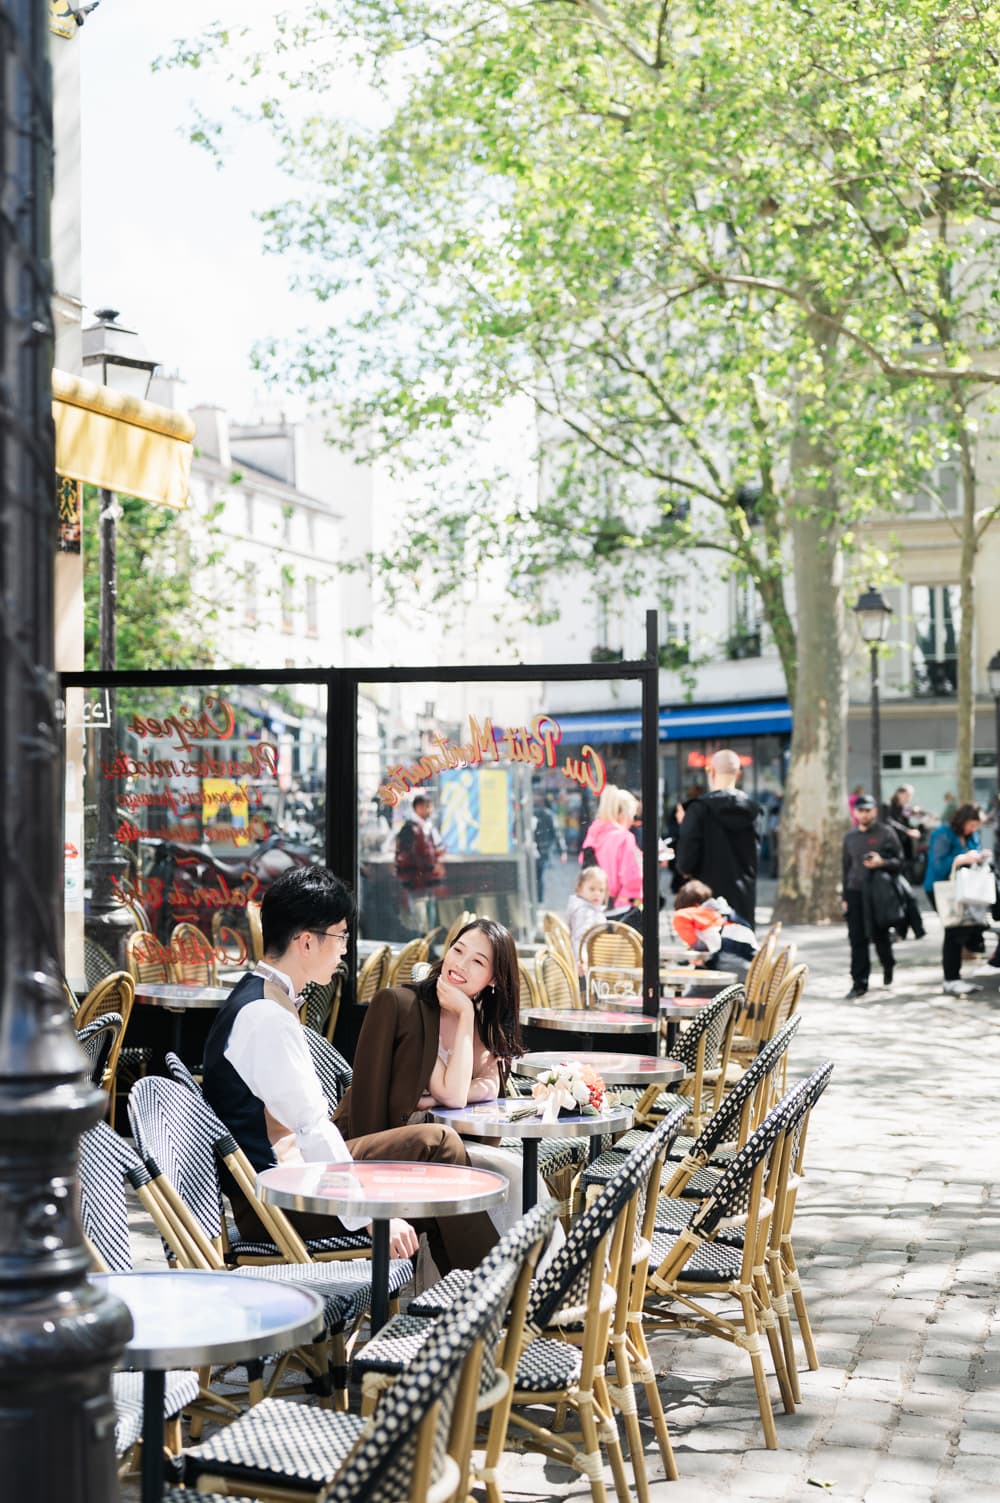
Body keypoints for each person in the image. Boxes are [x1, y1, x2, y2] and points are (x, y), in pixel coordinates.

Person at [202, 865, 495, 1273]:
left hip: (291, 1177)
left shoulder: (260, 997)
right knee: (434, 1183)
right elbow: (311, 1130)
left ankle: (479, 1296)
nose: (345, 949)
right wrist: (369, 1216)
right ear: (306, 942)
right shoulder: (265, 1017)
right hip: (278, 1202)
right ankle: (500, 1295)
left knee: (436, 1147)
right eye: (340, 936)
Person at [334, 917, 532, 1238]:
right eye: (457, 950)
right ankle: (498, 1280)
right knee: (477, 1172)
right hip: (371, 1153)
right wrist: (464, 1015)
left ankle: (528, 1271)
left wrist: (436, 1094)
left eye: (477, 961)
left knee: (513, 1174)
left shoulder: (483, 1024)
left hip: (436, 1152)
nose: (460, 965)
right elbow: (454, 1095)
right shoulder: (407, 1007)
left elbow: (490, 1086)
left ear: (494, 979)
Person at [674, 749, 761, 928]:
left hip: (706, 904)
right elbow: (755, 858)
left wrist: (686, 826)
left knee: (709, 954)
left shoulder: (698, 810)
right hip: (742, 902)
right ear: (738, 774)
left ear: (711, 772)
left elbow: (685, 863)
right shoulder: (753, 811)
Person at [841, 795, 905, 999]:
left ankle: (888, 965)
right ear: (855, 812)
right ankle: (859, 983)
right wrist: (844, 896)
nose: (864, 814)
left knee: (880, 937)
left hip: (878, 893)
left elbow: (900, 862)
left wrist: (882, 862)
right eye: (860, 810)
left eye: (868, 810)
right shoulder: (849, 837)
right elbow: (845, 867)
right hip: (854, 893)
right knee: (857, 939)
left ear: (875, 811)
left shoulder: (886, 833)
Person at [923, 803, 989, 995]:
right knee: (954, 930)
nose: (973, 830)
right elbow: (938, 865)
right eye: (972, 825)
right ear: (963, 820)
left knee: (963, 929)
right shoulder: (943, 833)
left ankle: (954, 977)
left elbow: (974, 853)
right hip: (942, 888)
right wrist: (961, 859)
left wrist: (980, 856)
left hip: (965, 889)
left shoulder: (971, 835)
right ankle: (951, 979)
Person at [671, 879, 758, 978]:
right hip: (752, 967)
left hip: (733, 969)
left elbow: (698, 947)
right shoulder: (721, 910)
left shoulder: (685, 915)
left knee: (696, 987)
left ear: (694, 905)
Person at [577, 785, 643, 908]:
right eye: (632, 815)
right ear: (623, 814)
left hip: (594, 904)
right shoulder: (624, 838)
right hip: (620, 906)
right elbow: (632, 879)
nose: (632, 821)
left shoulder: (594, 834)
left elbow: (584, 864)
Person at [394, 793, 447, 932]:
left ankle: (428, 949)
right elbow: (402, 857)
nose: (430, 810)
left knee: (429, 918)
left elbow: (440, 849)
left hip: (428, 882)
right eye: (428, 807)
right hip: (416, 884)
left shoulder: (429, 828)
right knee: (420, 921)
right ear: (418, 808)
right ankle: (420, 950)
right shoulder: (409, 829)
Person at [566, 865, 609, 973]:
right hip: (588, 963)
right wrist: (582, 960)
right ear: (579, 889)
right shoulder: (585, 912)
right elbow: (580, 938)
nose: (597, 894)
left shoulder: (590, 909)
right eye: (592, 889)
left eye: (601, 890)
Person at [532, 792, 566, 903]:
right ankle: (539, 898)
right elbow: (557, 834)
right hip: (544, 850)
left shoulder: (532, 813)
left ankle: (534, 897)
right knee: (539, 876)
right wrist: (562, 851)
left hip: (532, 848)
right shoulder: (550, 815)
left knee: (534, 874)